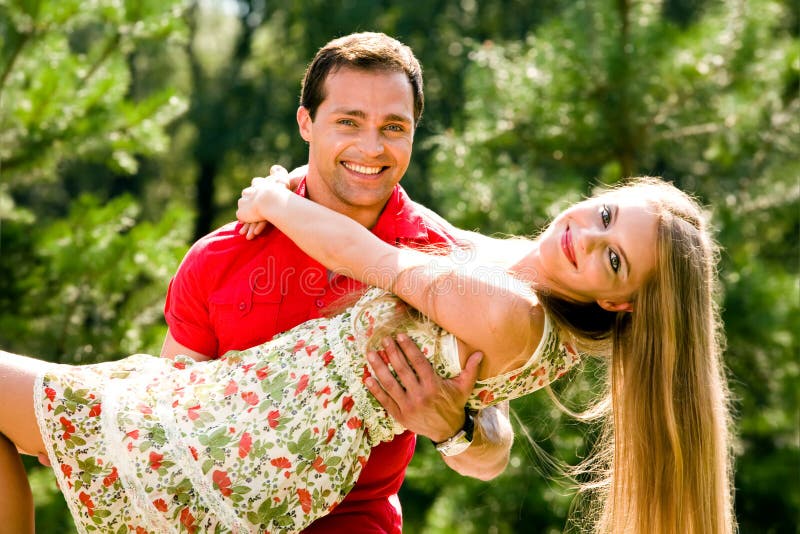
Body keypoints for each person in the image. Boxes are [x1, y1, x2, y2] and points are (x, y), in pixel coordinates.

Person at [0, 175, 734, 534]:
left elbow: (375, 257)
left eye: (612, 259)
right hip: (249, 435)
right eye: (604, 215)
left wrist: (273, 199)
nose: (586, 235)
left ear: (620, 303)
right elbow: (430, 231)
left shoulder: (511, 309)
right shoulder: (519, 284)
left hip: (239, 442)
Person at [158, 31, 513, 533]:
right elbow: (165, 419)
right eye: (348, 121)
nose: (371, 147)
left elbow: (493, 453)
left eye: (393, 126)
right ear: (306, 122)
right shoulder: (221, 257)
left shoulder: (445, 262)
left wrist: (454, 429)